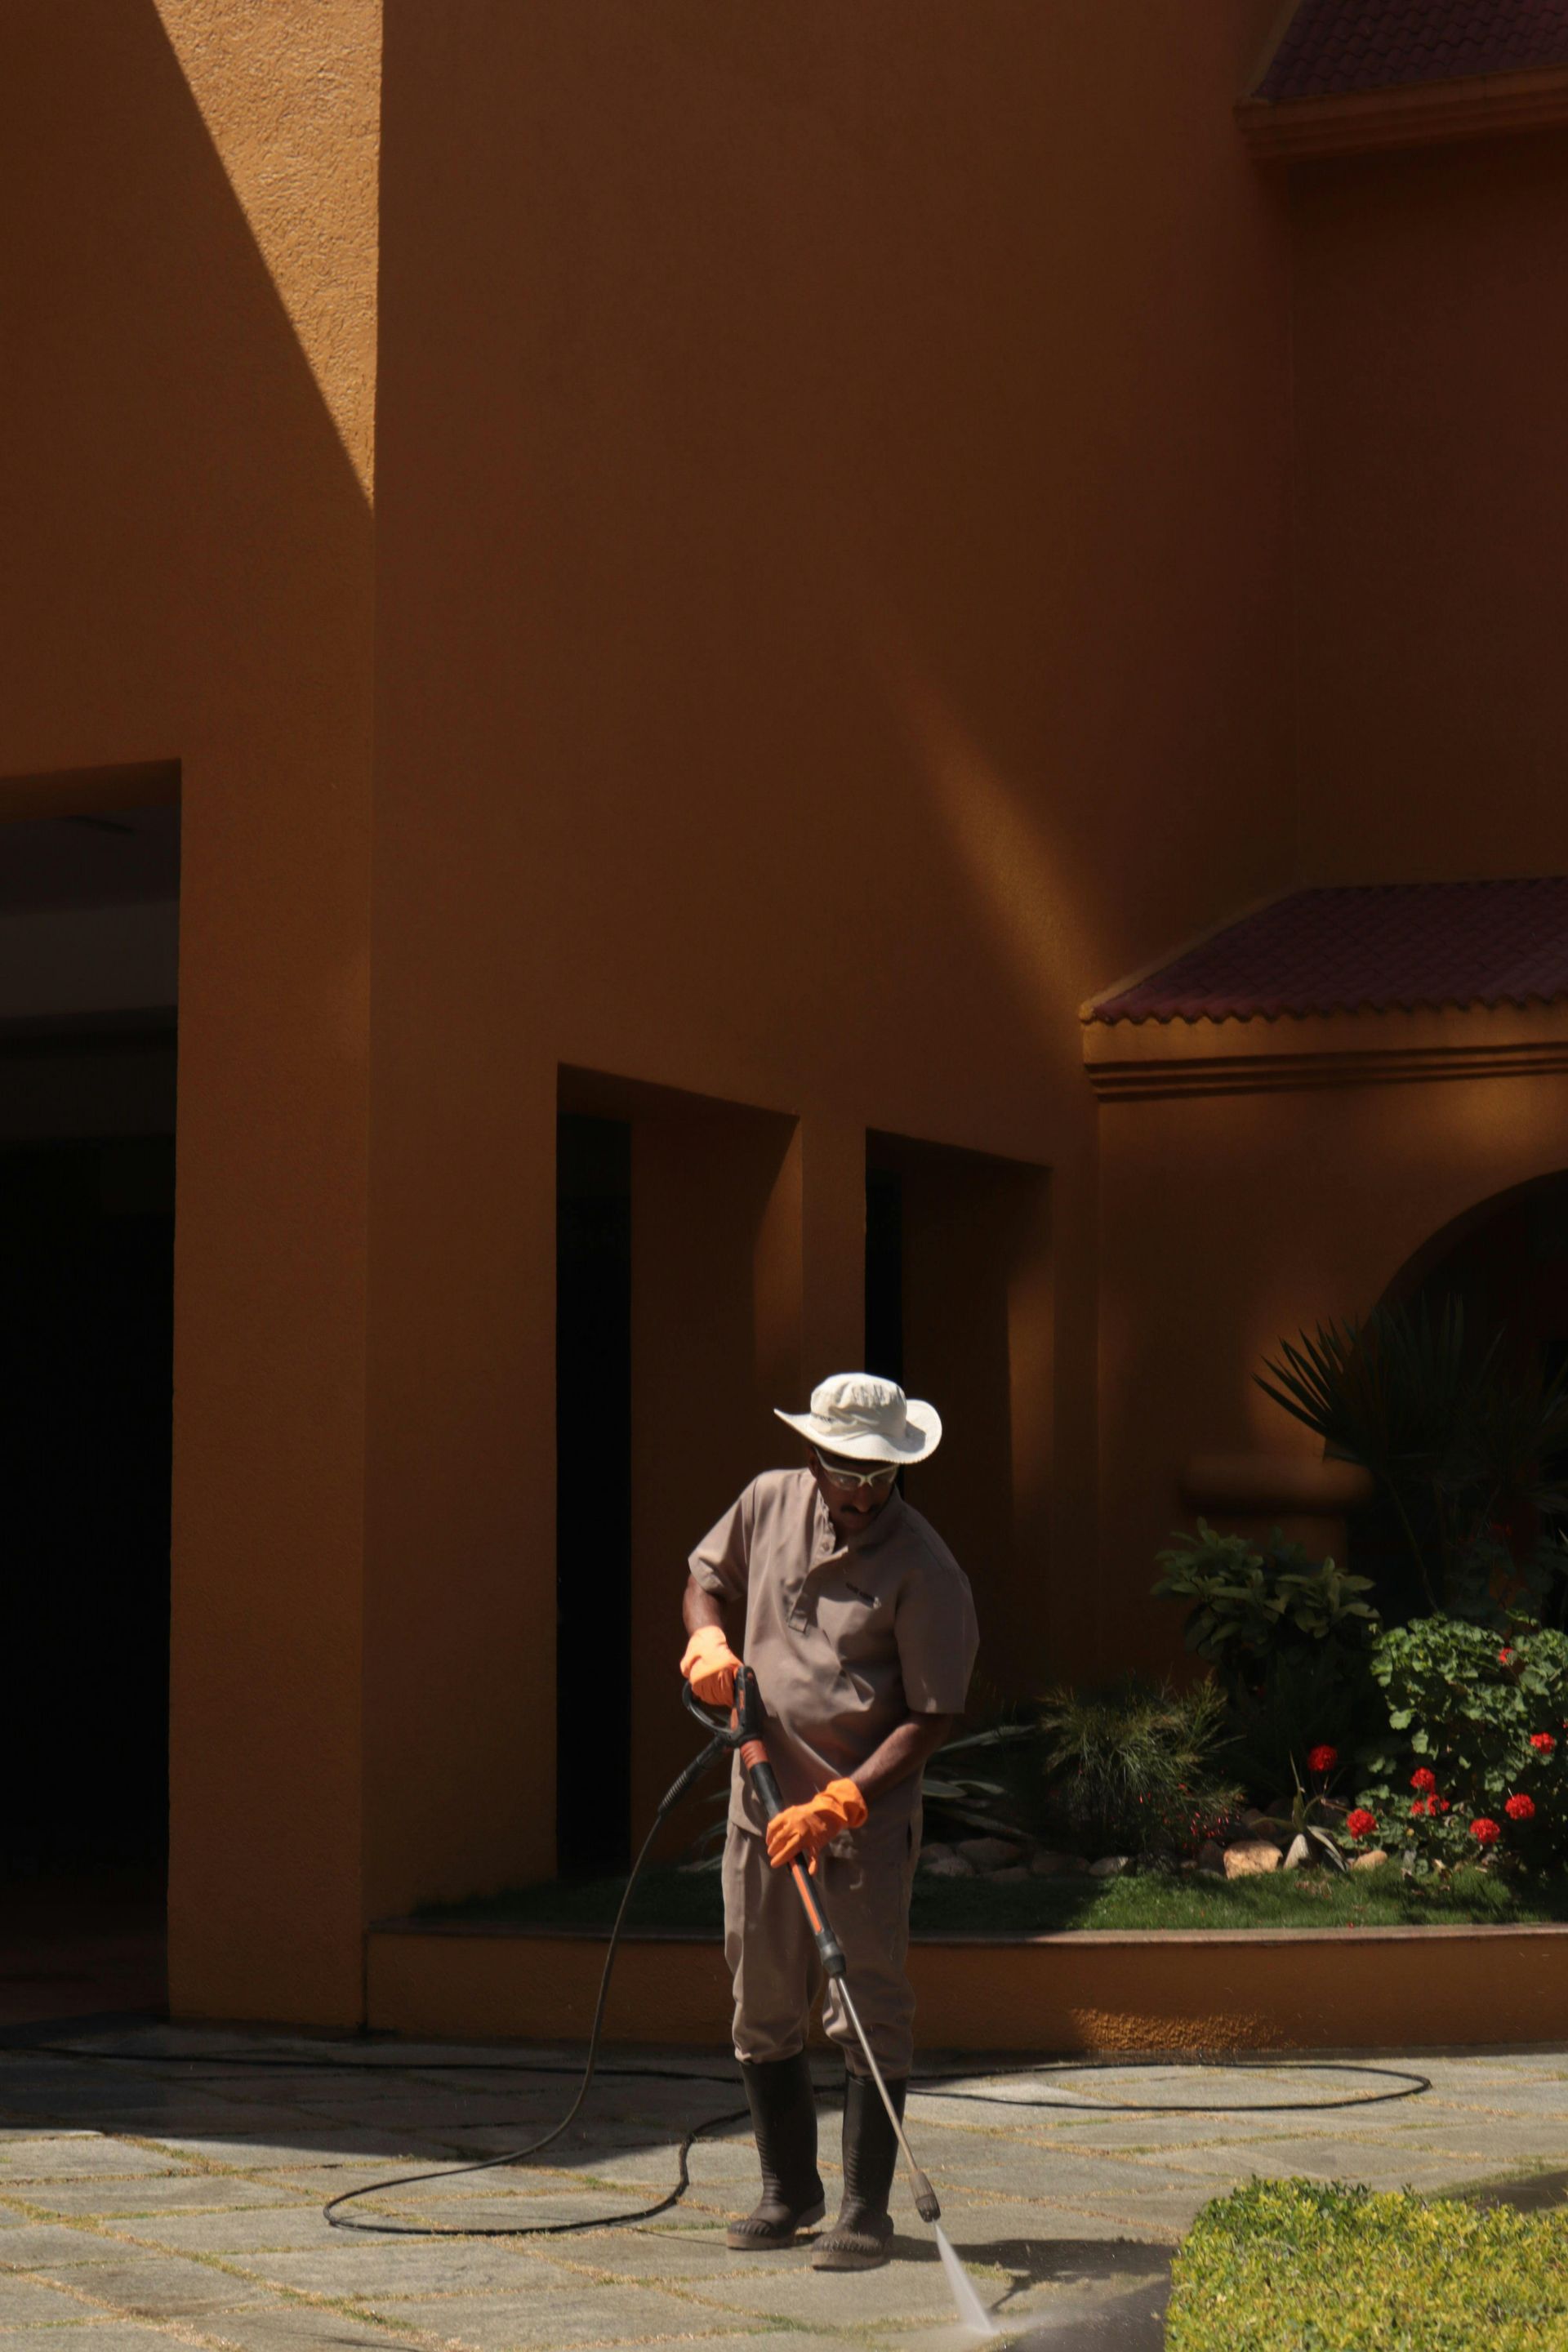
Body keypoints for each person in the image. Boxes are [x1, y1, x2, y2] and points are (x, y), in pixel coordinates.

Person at [679, 1371, 978, 2270]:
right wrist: (707, 1639)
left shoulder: (926, 1568)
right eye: (840, 1467)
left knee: (865, 2002)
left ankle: (863, 2210)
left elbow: (933, 1714)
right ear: (816, 1453)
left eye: (874, 1475)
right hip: (760, 1808)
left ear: (898, 1472)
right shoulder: (769, 1500)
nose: (853, 1489)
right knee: (762, 2002)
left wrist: (844, 1799)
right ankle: (787, 2190)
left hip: (859, 1824)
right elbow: (705, 1577)